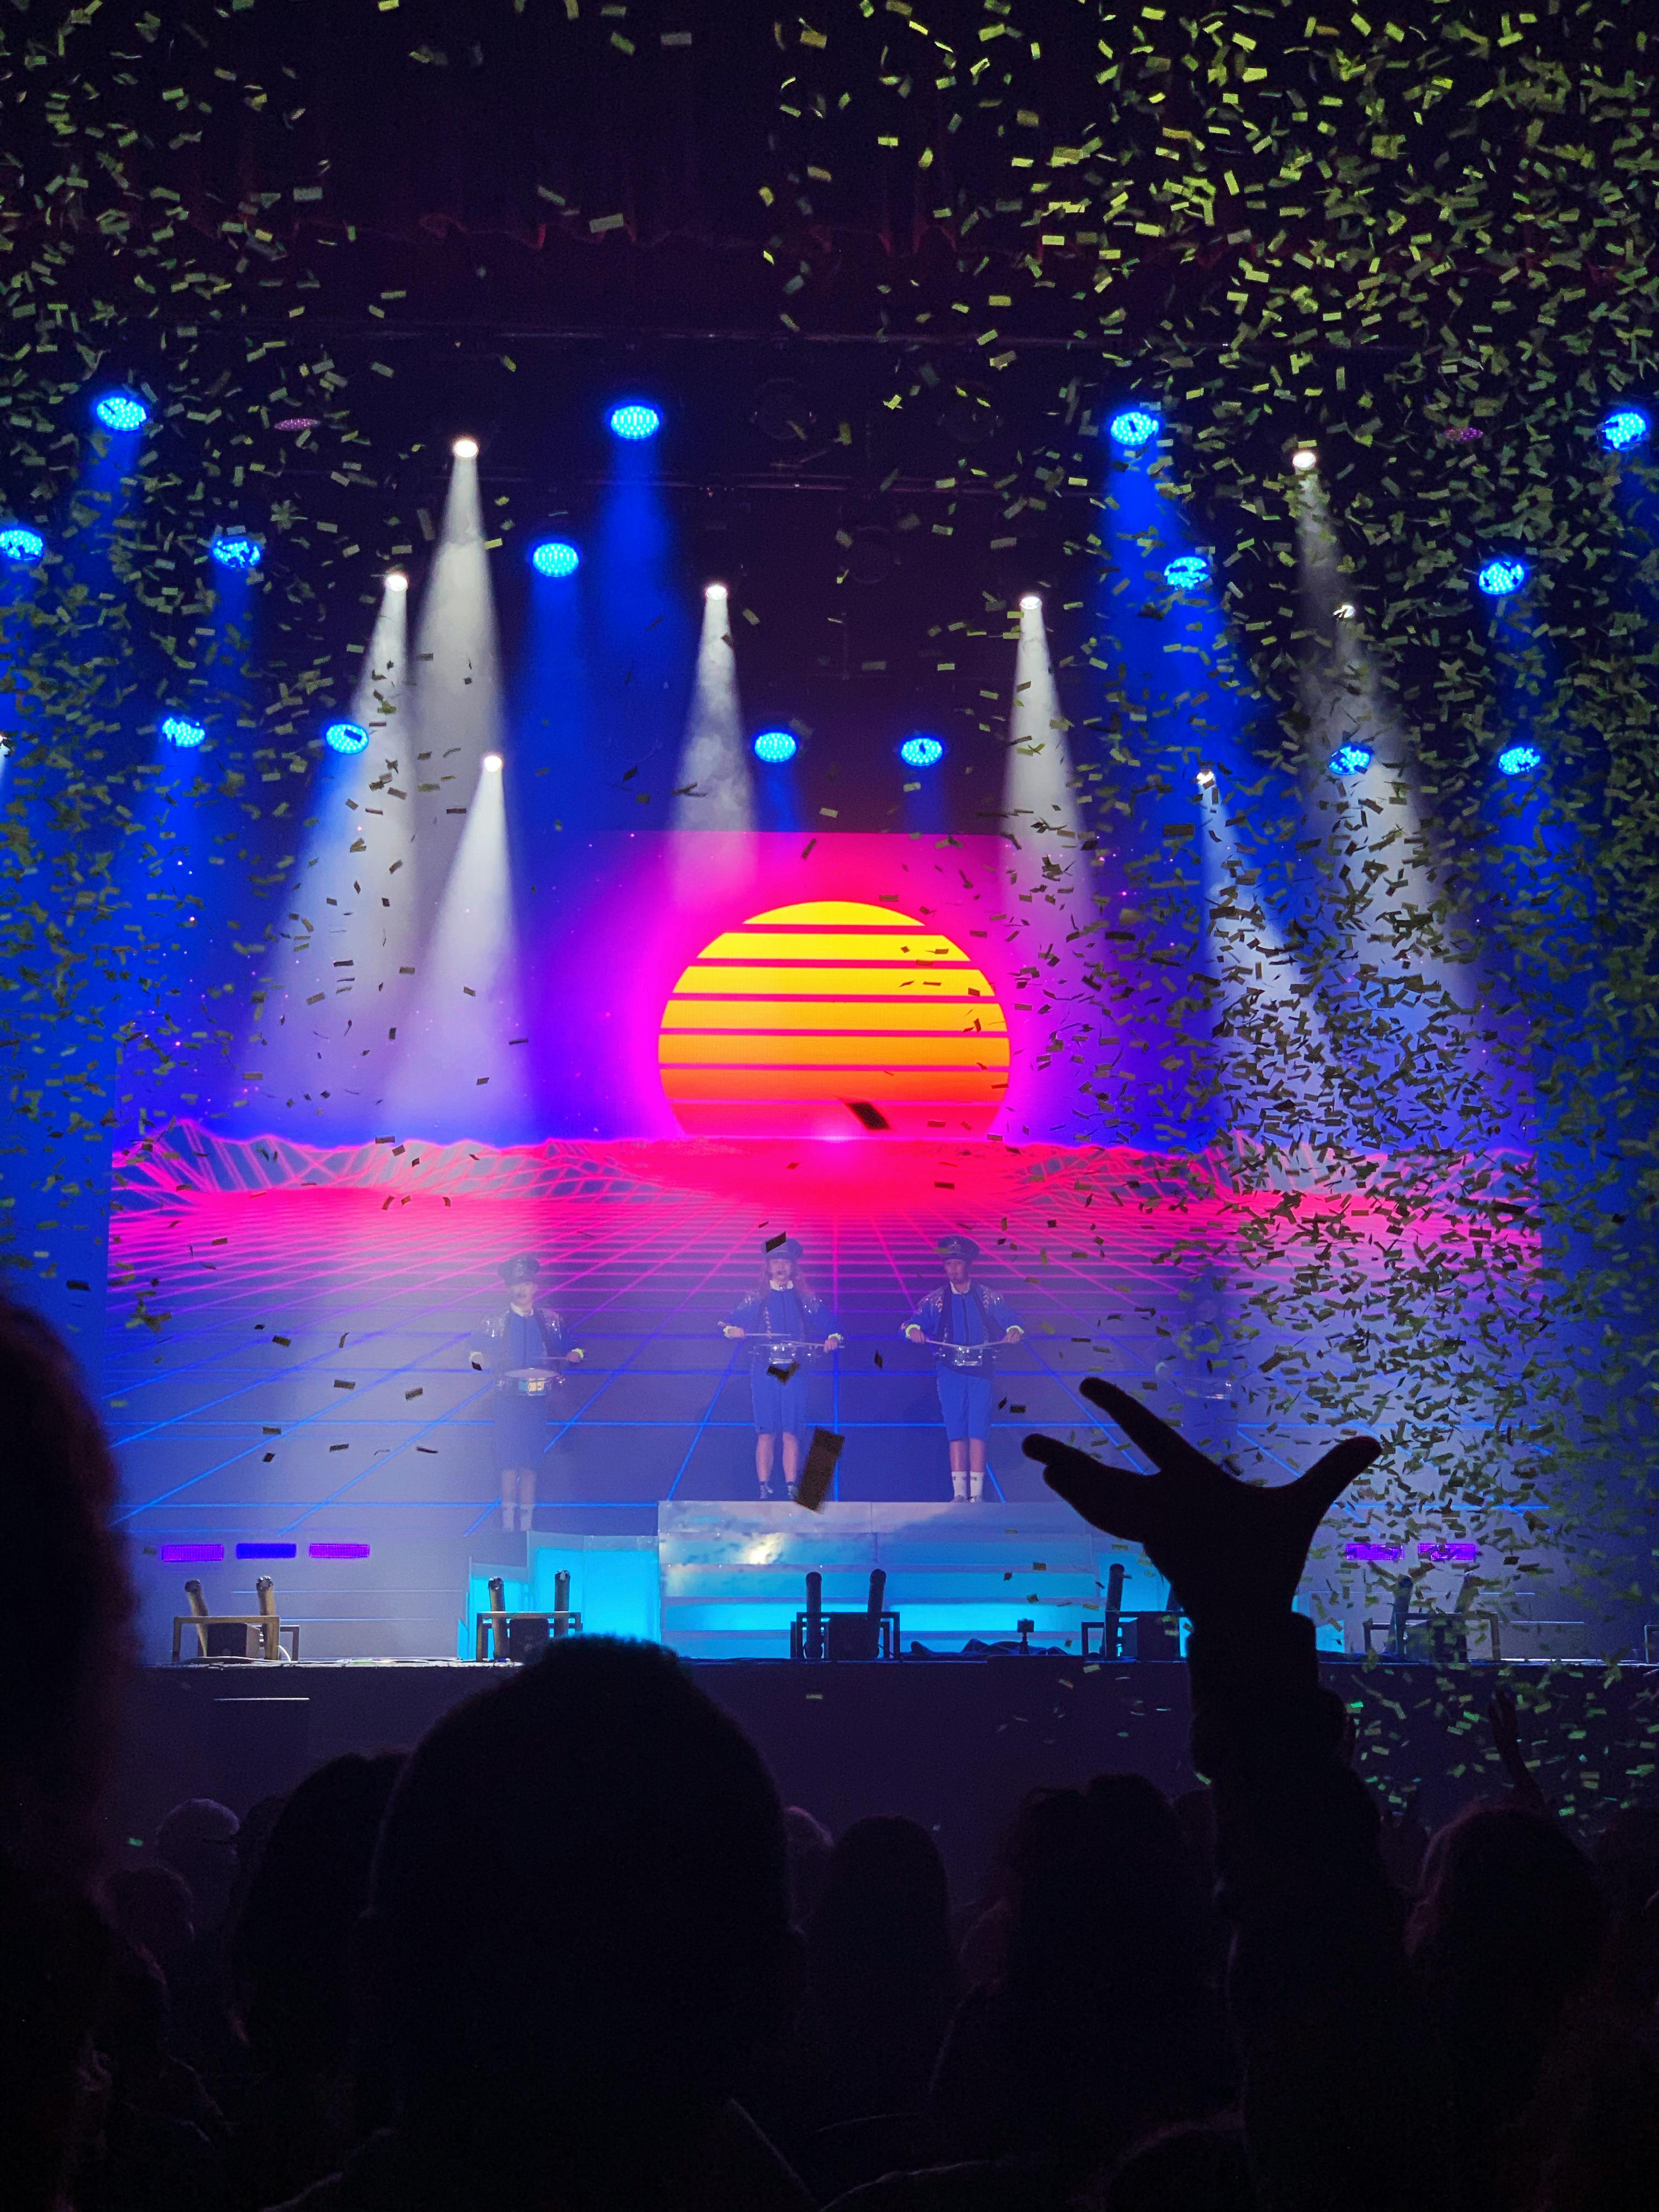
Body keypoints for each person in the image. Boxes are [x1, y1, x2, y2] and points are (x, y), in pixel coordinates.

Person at [903, 1235, 1023, 1503]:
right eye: (949, 1264)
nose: (953, 1269)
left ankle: (977, 1495)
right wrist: (914, 1331)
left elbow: (1011, 1319)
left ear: (968, 1266)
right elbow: (911, 1324)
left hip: (981, 1370)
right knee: (956, 1428)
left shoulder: (988, 1297)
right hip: (950, 1370)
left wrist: (1014, 1330)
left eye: (958, 1263)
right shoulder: (936, 1301)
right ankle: (959, 1494)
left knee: (978, 1428)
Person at [471, 1254, 584, 1533]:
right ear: (508, 1288)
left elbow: (575, 1346)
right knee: (508, 1463)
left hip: (537, 1403)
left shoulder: (552, 1321)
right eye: (515, 1284)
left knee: (531, 1464)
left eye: (526, 1283)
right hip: (506, 1402)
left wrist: (575, 1355)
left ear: (535, 1287)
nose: (521, 1290)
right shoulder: (495, 1322)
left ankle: (527, 1529)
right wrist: (479, 1361)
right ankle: (508, 1529)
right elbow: (474, 1352)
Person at [724, 1239, 843, 1500]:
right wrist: (731, 1330)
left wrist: (833, 1337)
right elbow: (726, 1322)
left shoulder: (804, 1299)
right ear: (767, 1267)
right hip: (765, 1367)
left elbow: (832, 1324)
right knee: (766, 1430)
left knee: (792, 1429)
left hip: (795, 1369)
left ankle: (791, 1487)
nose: (781, 1267)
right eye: (776, 1262)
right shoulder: (756, 1298)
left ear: (793, 1267)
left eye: (786, 1262)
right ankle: (764, 1487)